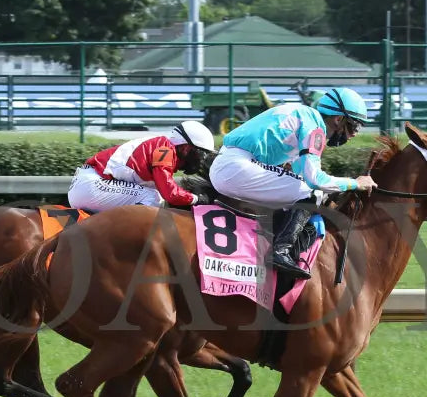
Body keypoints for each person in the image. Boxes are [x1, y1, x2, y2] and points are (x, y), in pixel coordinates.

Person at [207, 87, 379, 280]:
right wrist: (355, 183)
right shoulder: (315, 128)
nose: (355, 134)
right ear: (338, 119)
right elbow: (315, 181)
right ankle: (281, 251)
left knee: (305, 190)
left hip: (230, 165)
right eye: (355, 126)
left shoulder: (304, 117)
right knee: (311, 193)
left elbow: (301, 175)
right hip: (237, 167)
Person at [68, 120, 217, 212]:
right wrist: (197, 199)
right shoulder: (165, 150)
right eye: (201, 153)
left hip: (90, 184)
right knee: (153, 197)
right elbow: (170, 194)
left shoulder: (163, 147)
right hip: (92, 185)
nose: (201, 159)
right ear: (185, 148)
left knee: (151, 193)